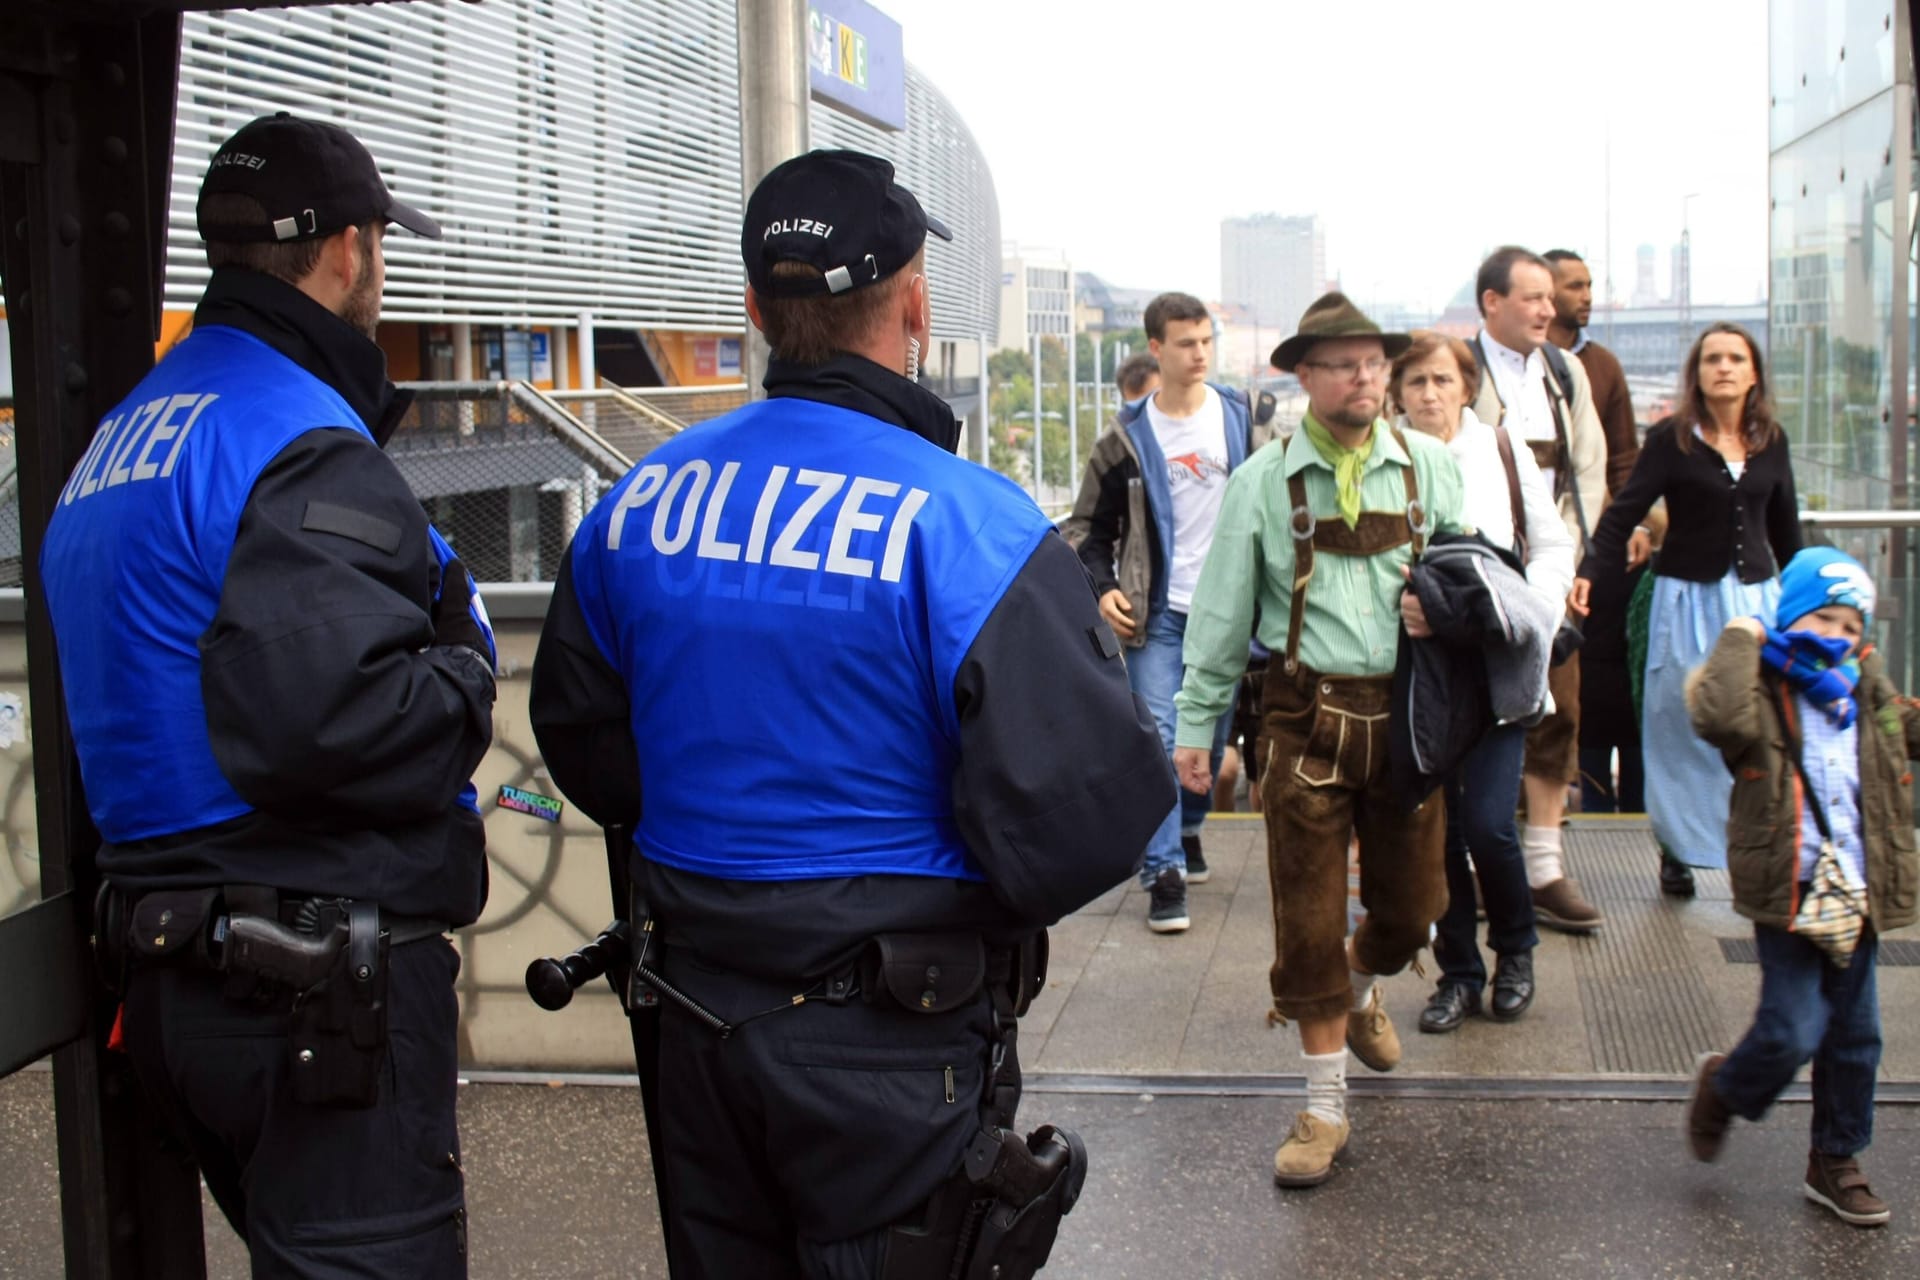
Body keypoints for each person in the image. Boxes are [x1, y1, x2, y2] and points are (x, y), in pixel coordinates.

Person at [528, 148, 1169, 1278]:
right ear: (915, 303)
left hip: (690, 1009)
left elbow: (580, 731)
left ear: (755, 309)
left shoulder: (639, 499)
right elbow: (1090, 811)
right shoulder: (969, 524)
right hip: (888, 1037)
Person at [39, 113, 493, 1275]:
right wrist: (465, 659)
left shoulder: (124, 432)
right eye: (381, 240)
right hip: (309, 988)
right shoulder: (296, 433)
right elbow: (344, 724)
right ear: (345, 250)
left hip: (176, 970)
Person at [1173, 293, 1466, 1187]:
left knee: (1415, 909)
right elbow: (1222, 612)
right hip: (1302, 717)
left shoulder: (1432, 466)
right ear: (1303, 376)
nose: (1365, 376)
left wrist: (1449, 606)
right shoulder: (1264, 480)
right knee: (1304, 915)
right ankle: (1324, 1107)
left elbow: (1474, 576)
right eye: (1343, 364)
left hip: (1410, 717)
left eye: (1374, 362)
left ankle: (1367, 984)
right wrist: (1197, 726)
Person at [1685, 548, 1912, 1228]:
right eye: (1822, 618)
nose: (1837, 637)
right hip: (1790, 887)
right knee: (1792, 1029)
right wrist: (1741, 637)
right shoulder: (1760, 684)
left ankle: (1835, 1159)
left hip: (1857, 887)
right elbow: (1718, 718)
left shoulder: (1864, 685)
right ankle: (1725, 1088)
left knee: (1856, 1035)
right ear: (1789, 616)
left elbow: (1906, 727)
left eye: (1850, 625)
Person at [1069, 293, 1276, 932]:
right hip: (1158, 612)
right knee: (1159, 737)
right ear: (1156, 349)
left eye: (1207, 341)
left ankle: (1184, 831)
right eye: (1186, 343)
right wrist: (1102, 587)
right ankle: (1162, 871)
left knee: (1209, 743)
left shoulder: (1243, 422)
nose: (1200, 354)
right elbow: (1084, 529)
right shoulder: (1126, 438)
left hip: (1229, 613)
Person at [1388, 332, 1574, 1034]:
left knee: (1493, 826)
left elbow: (1552, 542)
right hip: (1424, 676)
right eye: (1416, 383)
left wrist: (1533, 617)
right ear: (1398, 393)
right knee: (1439, 834)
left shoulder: (1499, 449)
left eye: (1442, 380)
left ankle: (1516, 951)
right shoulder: (1389, 457)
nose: (1430, 394)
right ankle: (1459, 973)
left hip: (1497, 671)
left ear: (1467, 387)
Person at [1571, 323, 1800, 893]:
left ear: (1753, 374)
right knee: (1677, 725)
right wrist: (1587, 575)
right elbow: (1623, 514)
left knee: (1755, 725)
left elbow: (1787, 530)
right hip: (1685, 599)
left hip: (1754, 604)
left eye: (1735, 358)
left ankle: (1753, 843)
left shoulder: (1772, 441)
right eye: (1711, 359)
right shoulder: (1672, 439)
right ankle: (1676, 848)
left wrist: (1809, 604)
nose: (1723, 367)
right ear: (1697, 373)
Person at [1467, 246, 1607, 933]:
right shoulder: (1463, 374)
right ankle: (1470, 868)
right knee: (1471, 712)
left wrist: (1569, 562)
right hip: (1480, 571)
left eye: (1550, 298)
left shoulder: (1565, 372)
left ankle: (1544, 866)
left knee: (1560, 708)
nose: (1549, 310)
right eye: (1533, 298)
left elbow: (1588, 469)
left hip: (1549, 572)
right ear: (1492, 303)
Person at [1545, 248, 1655, 816]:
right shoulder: (1514, 368)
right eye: (1574, 286)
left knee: (1594, 675)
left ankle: (1601, 801)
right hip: (1526, 550)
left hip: (1595, 547)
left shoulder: (1603, 365)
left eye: (1588, 285)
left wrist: (1632, 523)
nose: (1585, 296)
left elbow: (1624, 457)